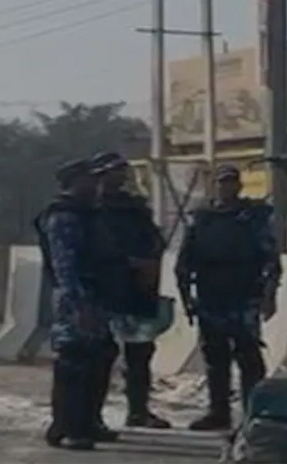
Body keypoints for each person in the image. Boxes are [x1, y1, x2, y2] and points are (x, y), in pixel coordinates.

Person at [176, 164, 281, 431]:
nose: (227, 187)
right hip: (210, 296)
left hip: (244, 296)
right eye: (222, 182)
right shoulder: (202, 219)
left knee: (249, 357)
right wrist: (187, 298)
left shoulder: (253, 219)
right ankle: (218, 412)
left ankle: (252, 414)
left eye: (231, 182)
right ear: (215, 186)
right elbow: (184, 263)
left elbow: (271, 260)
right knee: (215, 358)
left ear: (239, 186)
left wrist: (270, 296)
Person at [88, 151, 172, 431]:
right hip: (105, 290)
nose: (119, 176)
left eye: (121, 171)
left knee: (140, 353)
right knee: (100, 355)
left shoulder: (134, 208)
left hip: (137, 289)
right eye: (113, 171)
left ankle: (138, 410)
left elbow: (155, 241)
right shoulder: (90, 210)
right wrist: (126, 262)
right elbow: (93, 250)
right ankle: (92, 415)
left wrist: (149, 262)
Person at [35, 159, 114, 451]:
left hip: (96, 295)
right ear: (74, 182)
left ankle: (86, 422)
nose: (96, 185)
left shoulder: (89, 214)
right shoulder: (63, 216)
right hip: (77, 299)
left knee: (97, 360)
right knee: (74, 363)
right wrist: (78, 304)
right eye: (90, 179)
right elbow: (64, 265)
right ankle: (68, 427)